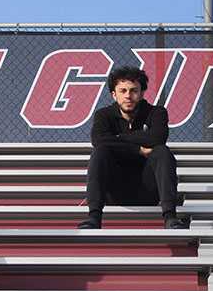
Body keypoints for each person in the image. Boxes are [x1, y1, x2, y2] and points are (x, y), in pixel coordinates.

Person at [79, 65, 186, 229]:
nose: (128, 96)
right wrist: (138, 149)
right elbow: (98, 139)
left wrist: (118, 139)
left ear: (142, 93)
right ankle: (94, 217)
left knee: (162, 152)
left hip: (147, 190)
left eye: (133, 90)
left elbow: (158, 137)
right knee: (100, 152)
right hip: (115, 190)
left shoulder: (156, 113)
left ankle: (170, 217)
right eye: (122, 91)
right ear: (114, 95)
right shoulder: (104, 115)